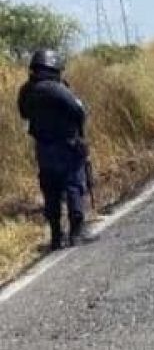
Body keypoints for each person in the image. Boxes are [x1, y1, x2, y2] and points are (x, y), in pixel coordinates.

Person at [17, 50, 91, 250]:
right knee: (74, 185)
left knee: (51, 191)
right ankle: (77, 231)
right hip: (67, 145)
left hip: (43, 148)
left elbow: (23, 113)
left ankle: (56, 236)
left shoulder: (26, 91)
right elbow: (79, 111)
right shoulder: (56, 88)